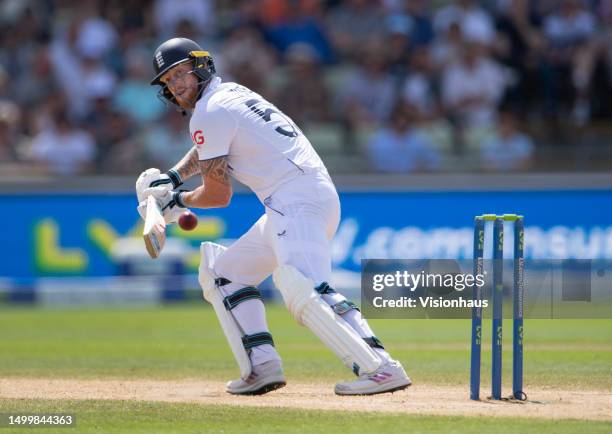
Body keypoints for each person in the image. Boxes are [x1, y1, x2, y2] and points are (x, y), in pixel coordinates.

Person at [135, 38, 411, 396]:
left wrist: (178, 200)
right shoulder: (230, 94)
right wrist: (173, 177)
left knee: (306, 289)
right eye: (168, 81)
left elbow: (219, 196)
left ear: (201, 66)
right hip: (296, 200)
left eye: (180, 74)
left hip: (296, 202)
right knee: (224, 275)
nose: (176, 85)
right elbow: (209, 147)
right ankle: (262, 366)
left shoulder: (209, 111)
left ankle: (381, 367)